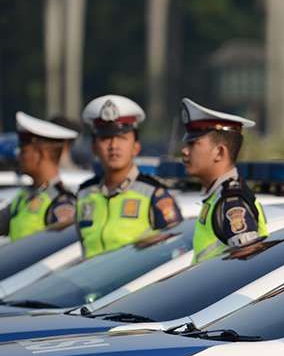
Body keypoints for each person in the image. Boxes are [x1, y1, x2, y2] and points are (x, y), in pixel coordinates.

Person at [76, 95, 182, 258]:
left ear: (136, 147)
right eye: (105, 138)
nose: (113, 146)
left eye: (122, 137)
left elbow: (175, 253)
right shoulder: (84, 193)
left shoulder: (154, 195)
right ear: (94, 147)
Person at [179, 97, 266, 262]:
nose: (184, 151)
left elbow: (246, 267)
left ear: (219, 152)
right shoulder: (218, 197)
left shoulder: (232, 203)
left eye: (193, 143)